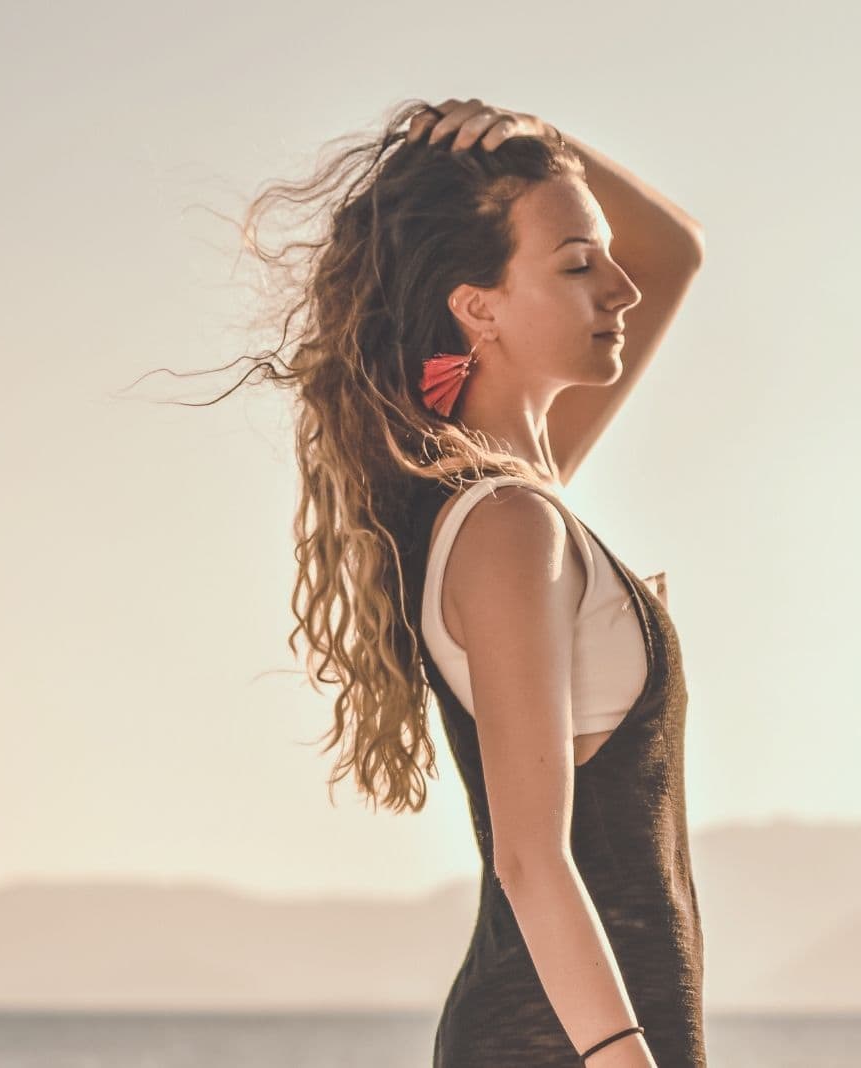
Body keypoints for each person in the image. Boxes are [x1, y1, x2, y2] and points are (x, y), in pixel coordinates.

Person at [135, 96, 706, 1065]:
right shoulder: (504, 527)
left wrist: (540, 133)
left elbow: (676, 255)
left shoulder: (519, 498)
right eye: (576, 265)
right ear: (475, 308)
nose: (621, 287)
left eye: (603, 258)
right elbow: (532, 861)